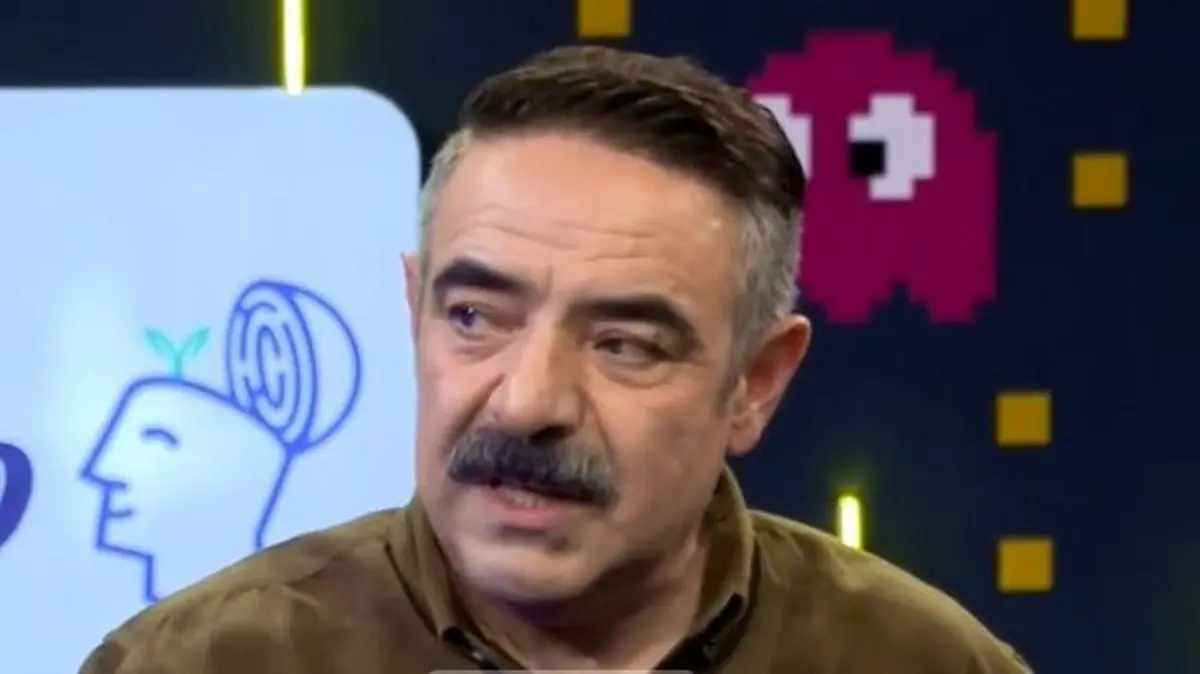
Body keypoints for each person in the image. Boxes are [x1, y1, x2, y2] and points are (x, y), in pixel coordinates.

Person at [79, 46, 1032, 673]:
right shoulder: (200, 663)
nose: (526, 403)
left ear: (755, 383)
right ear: (414, 314)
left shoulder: (923, 662)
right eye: (475, 317)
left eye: (624, 344)